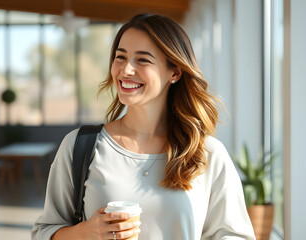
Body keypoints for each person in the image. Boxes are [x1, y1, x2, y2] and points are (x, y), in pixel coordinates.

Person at [32, 14, 255, 240]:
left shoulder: (207, 154)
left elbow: (235, 235)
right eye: (121, 57)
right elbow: (43, 233)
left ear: (175, 72)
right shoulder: (79, 146)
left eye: (143, 60)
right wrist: (86, 232)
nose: (126, 70)